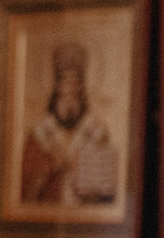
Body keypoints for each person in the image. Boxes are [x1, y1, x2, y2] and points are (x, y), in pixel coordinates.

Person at [17, 41, 119, 207]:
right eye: (66, 83)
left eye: (75, 83)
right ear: (57, 87)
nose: (70, 91)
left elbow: (105, 193)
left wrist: (81, 171)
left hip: (85, 217)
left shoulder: (97, 133)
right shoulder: (38, 134)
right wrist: (50, 166)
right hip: (46, 214)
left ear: (81, 88)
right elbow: (24, 185)